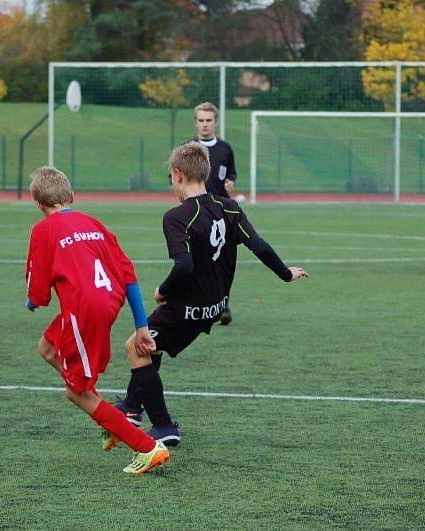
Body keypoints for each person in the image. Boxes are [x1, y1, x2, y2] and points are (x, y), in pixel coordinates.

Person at [115, 142, 308, 446]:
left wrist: (162, 290)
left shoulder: (177, 216)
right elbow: (259, 246)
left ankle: (164, 426)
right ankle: (131, 407)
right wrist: (286, 274)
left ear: (178, 174)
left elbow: (184, 265)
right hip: (215, 308)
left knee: (135, 345)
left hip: (187, 308)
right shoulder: (230, 206)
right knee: (154, 343)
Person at [25, 166, 170, 476]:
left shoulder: (42, 230)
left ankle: (146, 447)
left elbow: (38, 292)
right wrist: (141, 324)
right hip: (108, 301)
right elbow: (128, 273)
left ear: (39, 205)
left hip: (84, 309)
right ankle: (109, 423)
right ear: (72, 196)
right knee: (47, 348)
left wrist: (32, 301)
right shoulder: (93, 223)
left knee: (76, 391)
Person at [192, 102, 238, 324]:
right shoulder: (188, 148)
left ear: (215, 122)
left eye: (208, 120)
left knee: (225, 259)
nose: (205, 124)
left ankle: (224, 303)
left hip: (222, 212)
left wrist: (230, 183)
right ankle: (200, 304)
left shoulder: (225, 149)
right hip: (196, 212)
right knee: (198, 259)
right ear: (196, 122)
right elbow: (174, 176)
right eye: (201, 120)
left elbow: (231, 174)